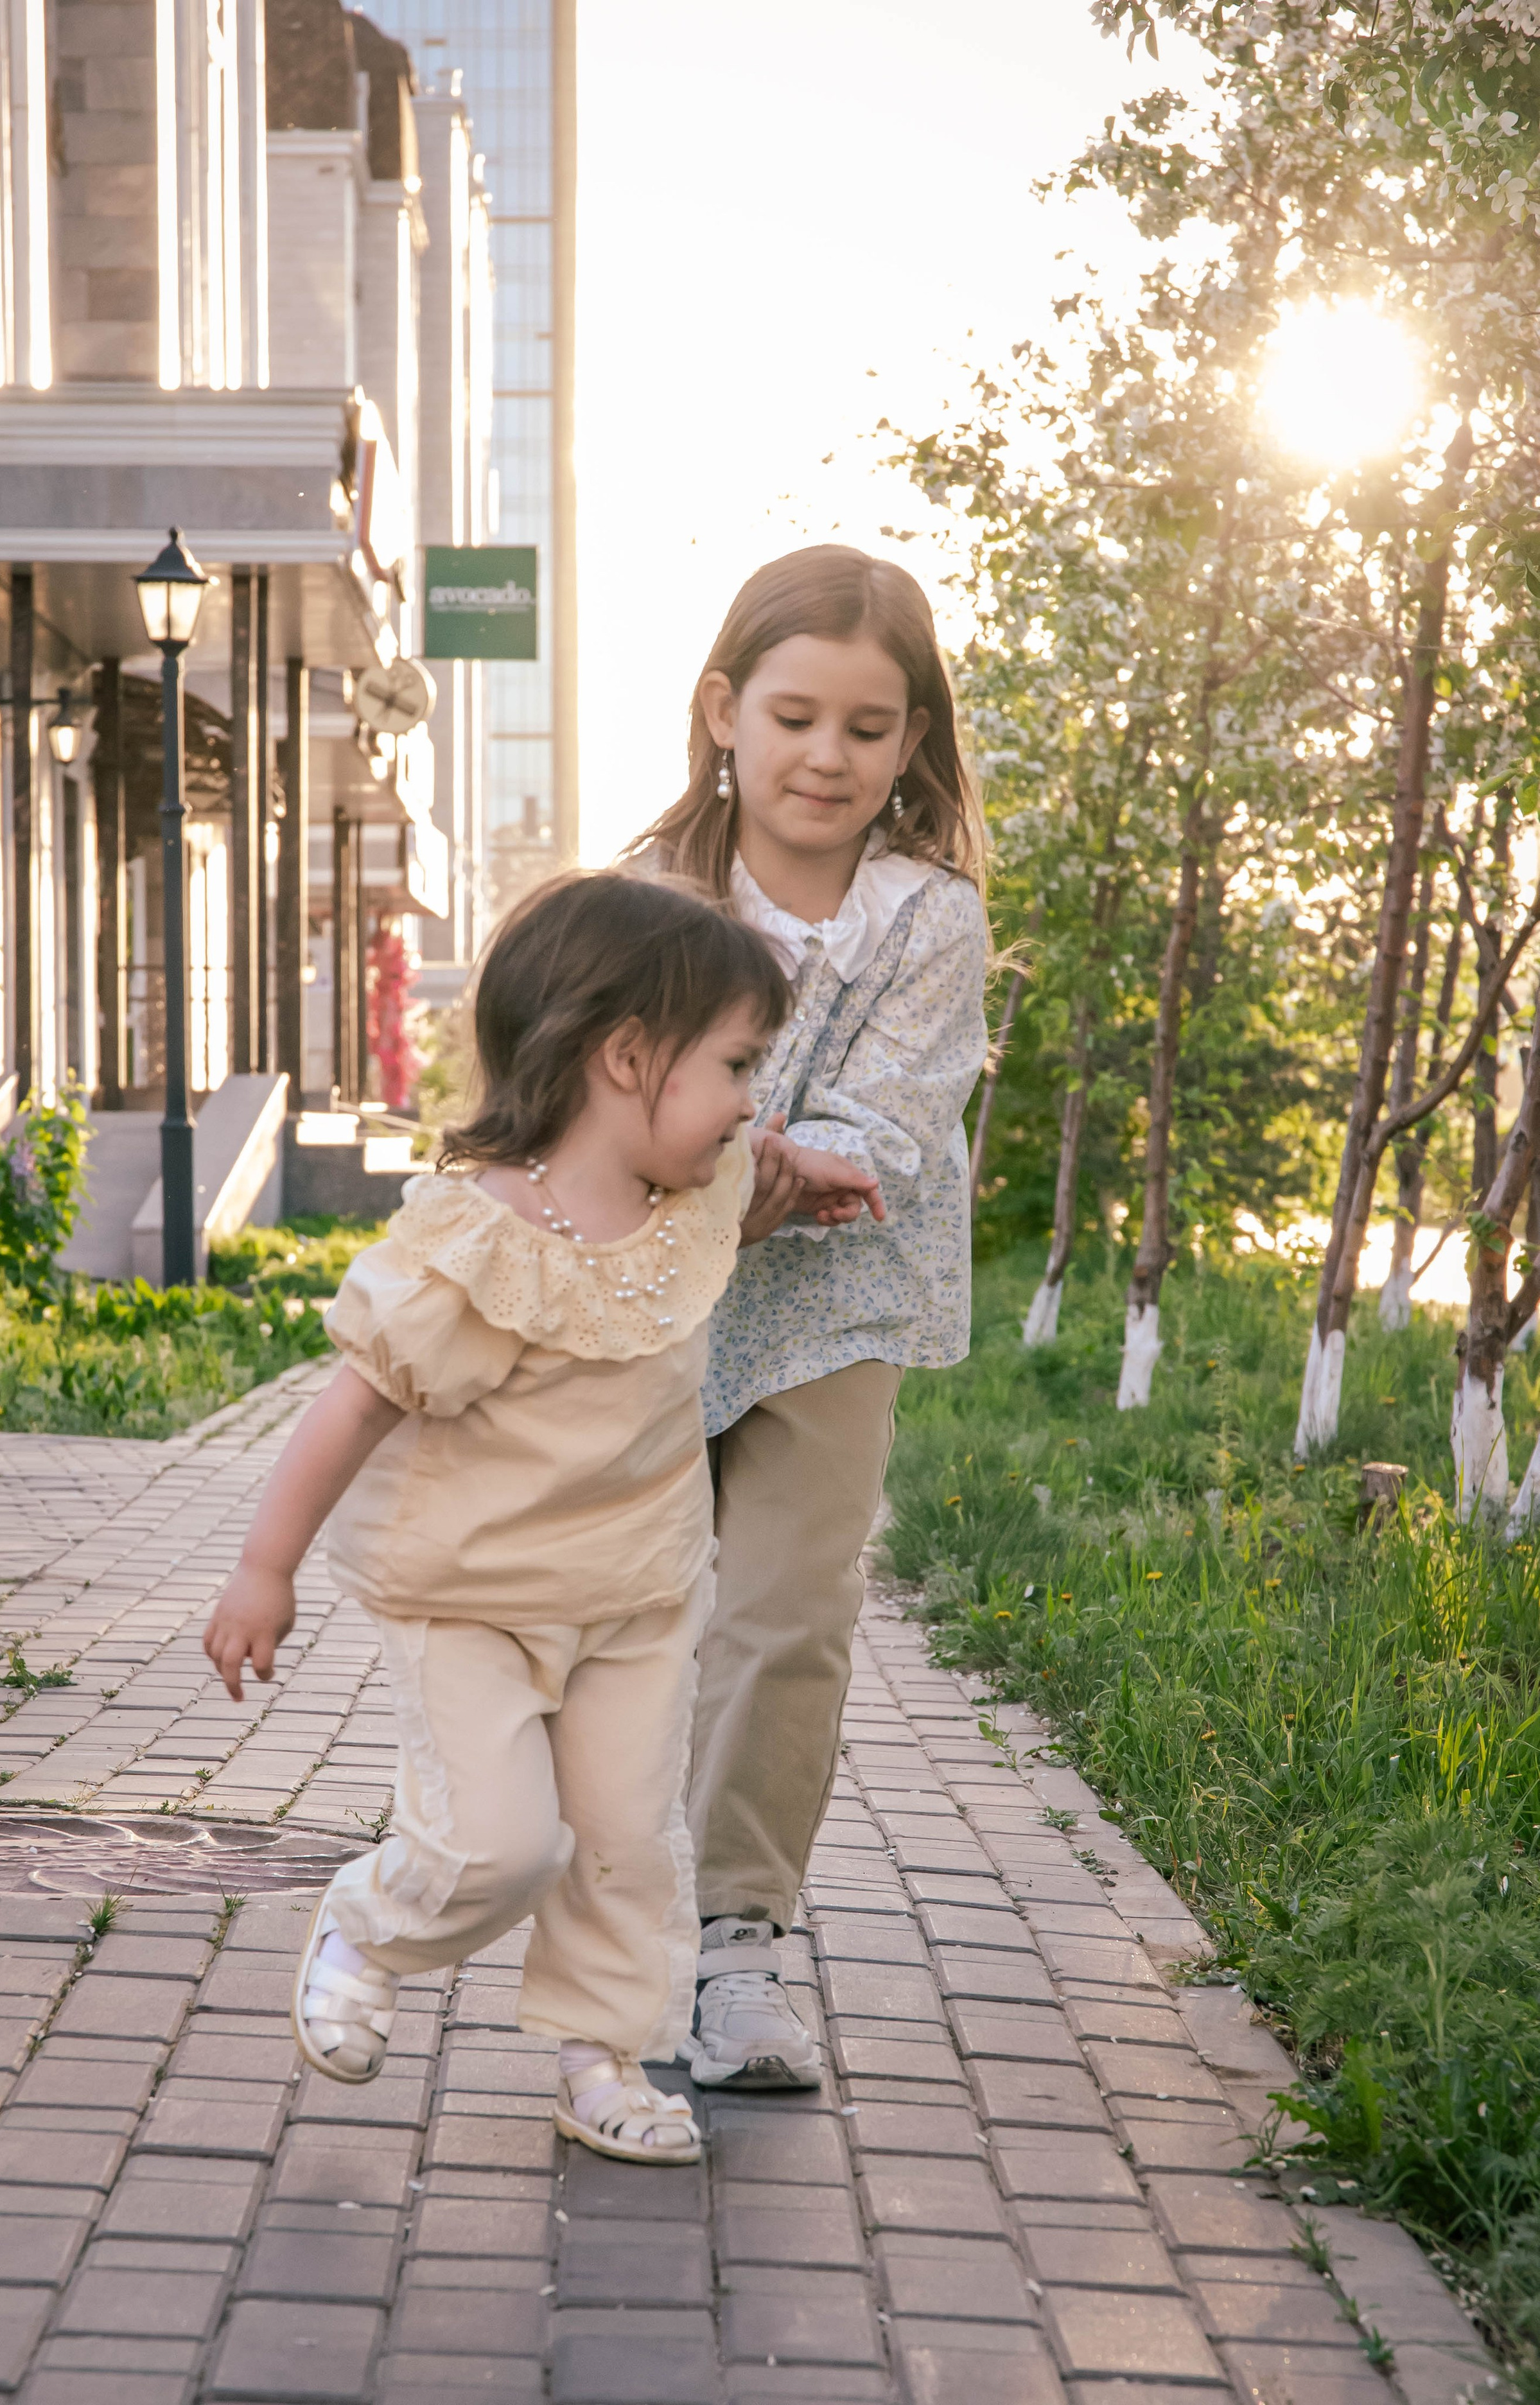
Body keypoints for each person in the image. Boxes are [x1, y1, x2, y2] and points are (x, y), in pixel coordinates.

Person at [201, 873, 882, 2165]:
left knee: (627, 1842)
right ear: (627, 1057)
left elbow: (756, 1172)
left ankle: (600, 2058)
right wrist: (260, 1568)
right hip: (471, 1599)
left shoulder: (696, 1198)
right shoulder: (476, 1245)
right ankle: (367, 1926)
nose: (750, 1096)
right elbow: (350, 1409)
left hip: (635, 1595)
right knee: (500, 1845)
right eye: (736, 1062)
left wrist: (804, 1176)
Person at [626, 544, 988, 2092]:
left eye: (863, 725)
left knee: (788, 1612)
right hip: (644, 1293)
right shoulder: (645, 897)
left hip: (832, 1304)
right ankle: (589, 1900)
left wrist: (772, 1160)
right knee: (618, 1610)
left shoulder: (929, 919)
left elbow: (892, 1109)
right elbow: (604, 1088)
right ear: (724, 711)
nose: (824, 756)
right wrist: (715, 1166)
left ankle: (737, 1943)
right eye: (792, 717)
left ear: (908, 742)